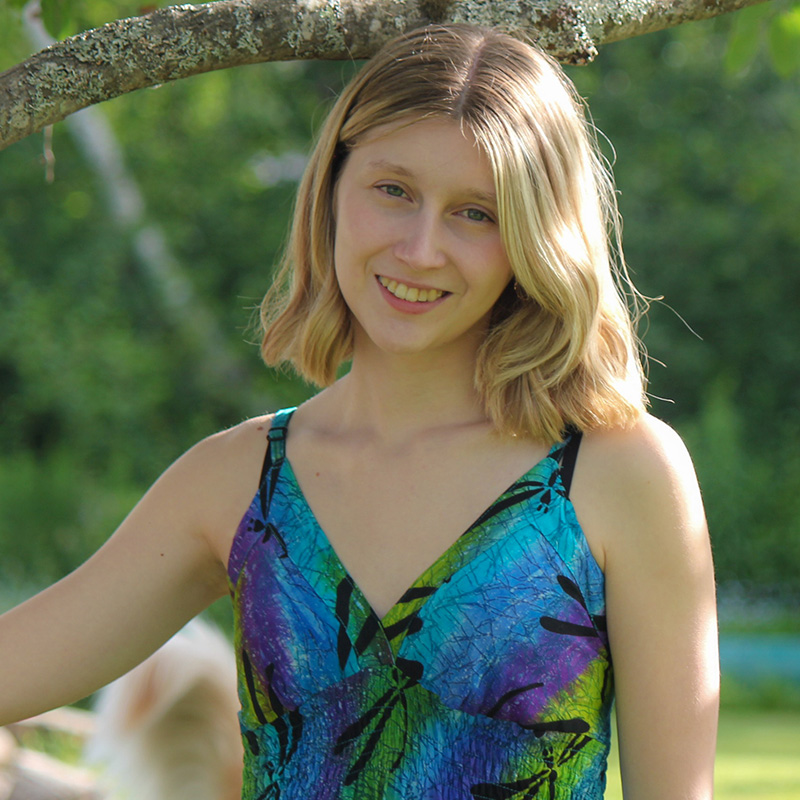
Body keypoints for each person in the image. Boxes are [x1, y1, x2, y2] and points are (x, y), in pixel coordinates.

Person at [0, 23, 718, 800]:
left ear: (532, 238)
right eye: (394, 191)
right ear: (332, 191)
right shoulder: (237, 482)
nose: (419, 248)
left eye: (474, 213)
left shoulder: (619, 472)